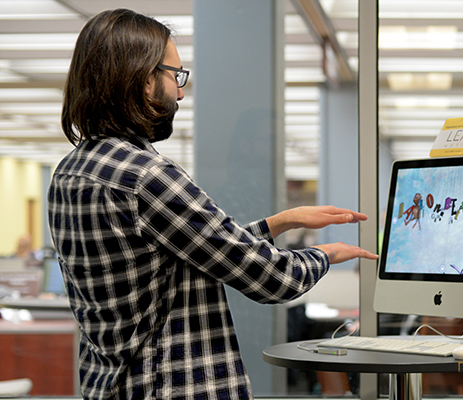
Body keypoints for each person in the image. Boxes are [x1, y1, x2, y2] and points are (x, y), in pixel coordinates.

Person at [48, 9, 377, 400]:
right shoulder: (147, 176)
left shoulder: (70, 172)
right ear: (145, 79)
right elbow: (271, 278)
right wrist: (325, 253)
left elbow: (182, 255)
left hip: (109, 385)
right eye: (176, 75)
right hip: (168, 385)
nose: (181, 92)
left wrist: (278, 222)